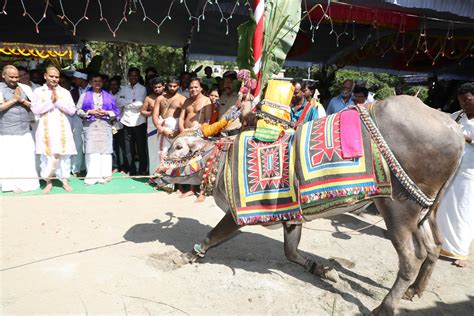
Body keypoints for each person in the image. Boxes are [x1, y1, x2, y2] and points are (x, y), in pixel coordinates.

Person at [437, 82, 474, 268]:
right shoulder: (457, 116)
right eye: (461, 101)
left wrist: (465, 137)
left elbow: (462, 137)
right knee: (445, 208)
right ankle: (441, 245)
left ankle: (461, 253)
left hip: (469, 174)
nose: (464, 105)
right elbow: (445, 126)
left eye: (467, 100)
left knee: (464, 211)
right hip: (451, 169)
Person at [31, 66, 77, 193]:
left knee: (64, 156)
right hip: (46, 130)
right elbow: (35, 110)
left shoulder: (65, 92)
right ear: (45, 76)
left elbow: (72, 110)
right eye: (51, 76)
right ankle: (48, 182)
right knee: (46, 156)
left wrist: (58, 102)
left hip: (62, 129)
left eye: (56, 77)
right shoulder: (38, 91)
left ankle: (65, 181)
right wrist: (51, 103)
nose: (54, 79)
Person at [0, 65, 39, 193]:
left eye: (17, 77)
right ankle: (10, 185)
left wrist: (22, 100)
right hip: (7, 130)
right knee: (9, 159)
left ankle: (27, 184)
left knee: (26, 158)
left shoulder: (25, 88)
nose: (15, 79)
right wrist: (13, 100)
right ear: (3, 75)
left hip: (25, 129)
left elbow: (34, 106)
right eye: (11, 77)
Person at [77, 74, 120, 185]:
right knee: (91, 150)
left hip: (104, 126)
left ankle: (104, 176)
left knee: (105, 152)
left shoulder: (109, 96)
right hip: (90, 126)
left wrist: (106, 112)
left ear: (102, 83)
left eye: (99, 81)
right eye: (95, 81)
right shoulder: (84, 95)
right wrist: (89, 112)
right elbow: (77, 110)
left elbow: (116, 112)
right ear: (91, 82)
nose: (97, 83)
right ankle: (92, 177)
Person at [152, 76, 186, 191]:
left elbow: (183, 118)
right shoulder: (160, 98)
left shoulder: (182, 99)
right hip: (163, 130)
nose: (172, 88)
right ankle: (161, 182)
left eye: (174, 86)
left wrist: (177, 131)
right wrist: (160, 128)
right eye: (170, 86)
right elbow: (155, 115)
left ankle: (173, 184)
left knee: (175, 157)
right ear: (167, 85)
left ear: (179, 86)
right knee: (161, 154)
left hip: (175, 132)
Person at [120, 67, 147, 175]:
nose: (133, 78)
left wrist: (127, 103)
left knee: (141, 147)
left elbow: (140, 104)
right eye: (131, 75)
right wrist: (131, 102)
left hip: (139, 121)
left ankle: (142, 170)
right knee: (128, 148)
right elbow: (119, 102)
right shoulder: (124, 88)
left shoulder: (142, 88)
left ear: (139, 76)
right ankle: (131, 169)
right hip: (126, 120)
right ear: (128, 76)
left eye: (135, 75)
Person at [141, 77, 165, 176]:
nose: (157, 89)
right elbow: (142, 111)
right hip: (152, 125)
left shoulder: (167, 97)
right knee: (152, 151)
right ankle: (153, 175)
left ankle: (164, 176)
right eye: (155, 87)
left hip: (164, 124)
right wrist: (152, 113)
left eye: (159, 87)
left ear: (164, 86)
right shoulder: (148, 98)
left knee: (163, 151)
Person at [69, 70, 89, 176]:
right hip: (77, 120)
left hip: (91, 120)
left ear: (81, 79)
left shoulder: (93, 90)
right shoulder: (73, 92)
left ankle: (88, 168)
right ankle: (76, 169)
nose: (74, 81)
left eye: (75, 79)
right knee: (77, 144)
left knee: (89, 145)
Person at [109, 76, 129, 174]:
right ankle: (115, 166)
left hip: (121, 124)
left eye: (115, 84)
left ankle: (124, 167)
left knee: (123, 147)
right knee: (113, 147)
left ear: (118, 85)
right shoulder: (106, 95)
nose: (113, 86)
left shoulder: (123, 94)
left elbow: (123, 107)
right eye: (111, 85)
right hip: (109, 124)